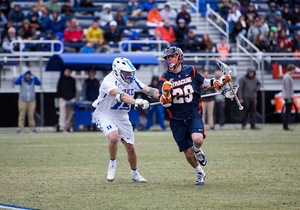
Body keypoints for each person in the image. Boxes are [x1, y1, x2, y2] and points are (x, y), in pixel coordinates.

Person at [159, 46, 232, 185]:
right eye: (167, 58)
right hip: (176, 118)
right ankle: (200, 172)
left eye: (172, 57)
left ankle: (198, 150)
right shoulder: (164, 77)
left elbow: (203, 83)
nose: (169, 60)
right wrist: (167, 93)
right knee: (188, 153)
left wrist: (218, 82)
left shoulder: (190, 70)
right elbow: (165, 103)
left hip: (193, 113)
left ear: (179, 57)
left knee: (197, 140)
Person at [92, 57, 160, 183]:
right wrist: (137, 101)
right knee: (113, 137)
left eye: (130, 72)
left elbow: (149, 90)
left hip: (122, 116)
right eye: (126, 72)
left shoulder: (131, 80)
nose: (129, 75)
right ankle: (112, 165)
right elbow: (121, 95)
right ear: (117, 71)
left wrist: (165, 95)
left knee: (131, 148)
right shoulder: (109, 81)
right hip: (105, 114)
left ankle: (135, 173)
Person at [56, 67, 76, 132]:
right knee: (63, 113)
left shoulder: (72, 80)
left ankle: (66, 127)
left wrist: (72, 97)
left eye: (69, 71)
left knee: (70, 113)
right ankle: (62, 127)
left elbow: (74, 90)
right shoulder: (61, 79)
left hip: (70, 99)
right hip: (63, 99)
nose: (67, 72)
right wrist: (60, 96)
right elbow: (58, 89)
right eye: (66, 71)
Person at [282, 64, 295, 131]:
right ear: (291, 69)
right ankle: (285, 127)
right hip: (288, 97)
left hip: (288, 96)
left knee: (288, 112)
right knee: (287, 112)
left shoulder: (288, 76)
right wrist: (289, 98)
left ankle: (286, 126)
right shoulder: (287, 77)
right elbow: (287, 88)